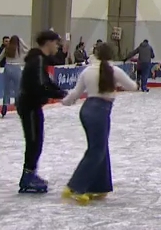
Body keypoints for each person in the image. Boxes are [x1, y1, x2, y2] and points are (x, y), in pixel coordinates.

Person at [60, 43, 137, 204]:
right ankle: (75, 186)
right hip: (101, 112)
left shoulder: (88, 71)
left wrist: (65, 101)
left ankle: (100, 186)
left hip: (87, 110)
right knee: (97, 151)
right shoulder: (115, 71)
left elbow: (76, 93)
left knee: (100, 148)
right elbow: (132, 86)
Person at [16, 30, 68, 193]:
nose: (57, 46)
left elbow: (46, 82)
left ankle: (31, 174)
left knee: (37, 140)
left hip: (32, 104)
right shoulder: (37, 59)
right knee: (34, 141)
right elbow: (40, 85)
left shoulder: (39, 59)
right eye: (56, 43)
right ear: (48, 43)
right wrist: (59, 94)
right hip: (29, 105)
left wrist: (61, 92)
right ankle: (27, 177)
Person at [0, 35, 27, 118]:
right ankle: (18, 106)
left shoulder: (6, 49)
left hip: (7, 67)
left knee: (7, 88)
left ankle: (5, 105)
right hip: (16, 68)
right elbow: (28, 50)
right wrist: (22, 42)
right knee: (17, 88)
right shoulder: (19, 49)